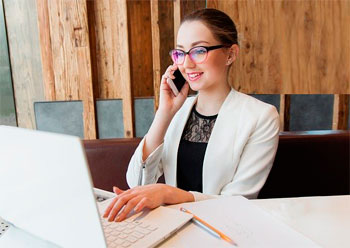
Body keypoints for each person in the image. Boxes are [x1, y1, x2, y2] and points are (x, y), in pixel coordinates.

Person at [103, 8, 280, 222]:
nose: (186, 64)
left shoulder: (261, 117)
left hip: (223, 230)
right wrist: (164, 113)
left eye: (199, 51)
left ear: (230, 54)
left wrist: (171, 194)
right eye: (180, 53)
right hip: (170, 226)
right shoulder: (177, 112)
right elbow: (136, 182)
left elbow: (239, 201)